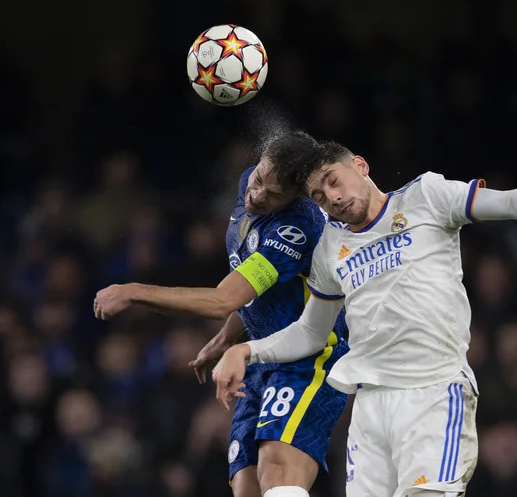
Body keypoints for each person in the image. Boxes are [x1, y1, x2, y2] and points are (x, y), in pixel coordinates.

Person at [212, 140, 517, 497]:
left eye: (334, 181)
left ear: (359, 165)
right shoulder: (329, 249)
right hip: (372, 407)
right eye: (320, 197)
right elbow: (310, 332)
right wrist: (247, 350)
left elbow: (506, 202)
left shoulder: (426, 196)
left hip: (433, 392)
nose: (334, 198)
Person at [92, 131, 350, 497]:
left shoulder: (296, 230)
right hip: (260, 358)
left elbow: (222, 300)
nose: (257, 195)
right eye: (260, 180)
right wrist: (228, 335)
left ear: (299, 196)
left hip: (309, 359)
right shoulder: (251, 180)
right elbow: (262, 290)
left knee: (276, 472)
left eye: (274, 195)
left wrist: (134, 291)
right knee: (246, 486)